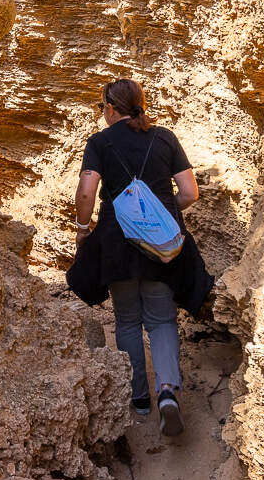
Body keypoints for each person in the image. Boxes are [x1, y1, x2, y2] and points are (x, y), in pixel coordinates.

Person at [64, 78, 213, 437]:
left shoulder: (99, 143)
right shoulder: (165, 138)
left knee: (128, 320)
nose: (102, 114)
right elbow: (190, 192)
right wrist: (159, 213)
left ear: (111, 109)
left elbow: (87, 191)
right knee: (161, 320)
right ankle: (168, 393)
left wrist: (84, 229)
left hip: (117, 242)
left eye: (102, 107)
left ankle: (140, 397)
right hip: (162, 245)